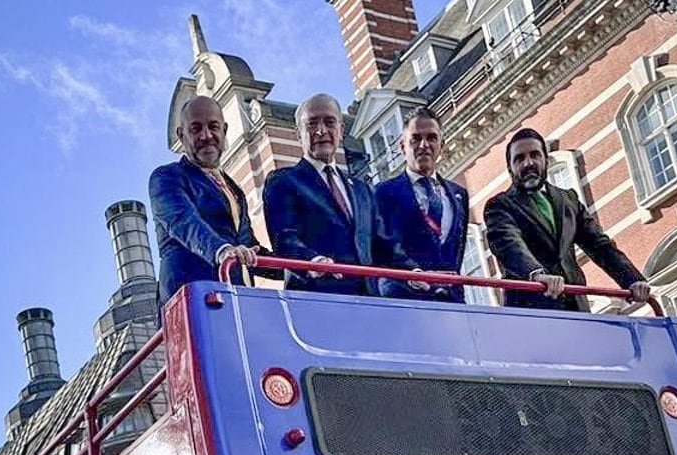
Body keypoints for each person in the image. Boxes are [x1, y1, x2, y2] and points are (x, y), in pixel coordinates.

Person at [483, 127, 653, 311]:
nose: (528, 163)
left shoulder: (569, 200)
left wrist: (632, 280)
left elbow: (599, 245)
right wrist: (536, 275)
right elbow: (509, 245)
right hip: (532, 309)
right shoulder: (499, 206)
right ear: (510, 168)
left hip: (576, 306)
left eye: (535, 155)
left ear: (546, 160)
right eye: (519, 159)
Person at [262, 94, 404, 294]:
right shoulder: (283, 182)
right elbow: (285, 239)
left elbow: (383, 245)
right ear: (298, 133)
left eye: (329, 122)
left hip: (369, 302)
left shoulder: (362, 190)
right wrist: (313, 262)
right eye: (312, 124)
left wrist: (413, 269)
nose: (321, 131)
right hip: (316, 299)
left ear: (341, 130)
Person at [149, 94, 263, 301]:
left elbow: (248, 246)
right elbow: (184, 221)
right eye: (196, 129)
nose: (206, 135)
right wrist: (221, 251)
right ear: (181, 136)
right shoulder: (166, 177)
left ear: (224, 130)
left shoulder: (233, 189)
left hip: (240, 302)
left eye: (213, 127)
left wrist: (308, 265)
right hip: (194, 302)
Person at [372, 109, 471, 301]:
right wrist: (411, 274)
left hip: (451, 301)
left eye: (432, 138)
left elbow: (456, 252)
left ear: (441, 145)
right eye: (415, 139)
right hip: (404, 299)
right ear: (402, 147)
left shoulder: (459, 195)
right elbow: (380, 249)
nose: (424, 145)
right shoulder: (381, 193)